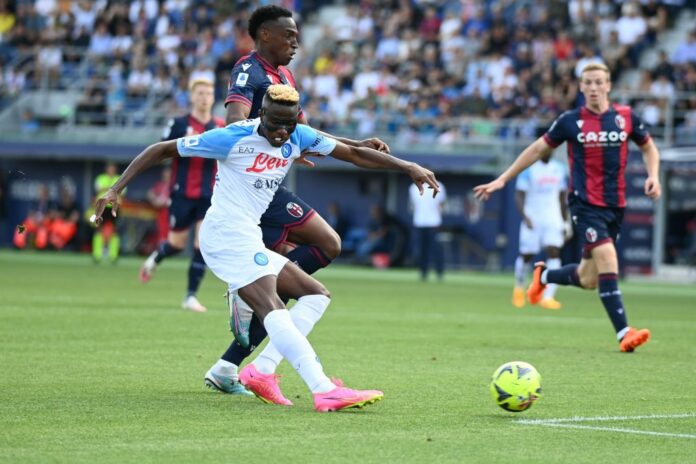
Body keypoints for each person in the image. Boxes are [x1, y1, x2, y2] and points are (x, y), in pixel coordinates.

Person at [92, 84, 440, 411]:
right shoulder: (233, 137)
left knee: (316, 296)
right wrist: (115, 189)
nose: (281, 132)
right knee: (273, 306)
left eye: (289, 125)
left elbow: (352, 153)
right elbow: (161, 149)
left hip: (248, 236)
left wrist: (408, 166)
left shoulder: (298, 134)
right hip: (225, 235)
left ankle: (261, 370)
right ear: (261, 114)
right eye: (275, 123)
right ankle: (323, 390)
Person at [205, 5, 392, 394]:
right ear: (265, 35)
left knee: (321, 251)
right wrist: (272, 141)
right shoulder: (248, 69)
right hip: (251, 183)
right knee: (315, 259)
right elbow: (235, 122)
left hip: (270, 185)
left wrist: (354, 143)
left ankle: (229, 361)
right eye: (288, 35)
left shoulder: (285, 76)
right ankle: (248, 303)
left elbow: (305, 132)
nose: (295, 42)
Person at [474, 63, 661, 353]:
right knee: (608, 259)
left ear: (608, 85)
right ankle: (624, 332)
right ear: (581, 87)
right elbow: (537, 149)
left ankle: (543, 276)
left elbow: (648, 147)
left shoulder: (625, 117)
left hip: (615, 205)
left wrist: (653, 176)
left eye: (599, 82)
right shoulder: (570, 121)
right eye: (588, 82)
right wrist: (503, 179)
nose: (594, 87)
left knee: (589, 279)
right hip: (585, 204)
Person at [139, 79, 225, 313]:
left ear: (213, 98)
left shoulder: (220, 126)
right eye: (200, 93)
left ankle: (190, 296)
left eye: (208, 93)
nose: (205, 97)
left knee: (202, 243)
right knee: (176, 244)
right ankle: (155, 258)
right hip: (182, 193)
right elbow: (161, 151)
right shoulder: (178, 124)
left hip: (210, 194)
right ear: (192, 97)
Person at [511, 154, 570, 310]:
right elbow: (519, 195)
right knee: (527, 255)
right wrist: (525, 217)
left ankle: (548, 297)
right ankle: (519, 288)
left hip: (553, 218)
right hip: (533, 218)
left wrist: (565, 221)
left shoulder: (559, 169)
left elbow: (562, 196)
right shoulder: (528, 170)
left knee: (554, 252)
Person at [409, 179, 447, 281]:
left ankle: (439, 272)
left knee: (436, 249)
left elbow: (442, 204)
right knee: (422, 249)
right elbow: (414, 205)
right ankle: (423, 273)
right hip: (419, 222)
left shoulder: (439, 186)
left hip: (434, 222)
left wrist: (438, 217)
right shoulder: (413, 188)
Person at [92, 162, 123, 263]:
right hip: (102, 206)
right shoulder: (101, 178)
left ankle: (113, 256)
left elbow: (122, 191)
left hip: (114, 207)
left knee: (114, 230)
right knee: (98, 228)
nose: (111, 170)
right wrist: (113, 189)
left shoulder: (119, 178)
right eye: (109, 168)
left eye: (112, 168)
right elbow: (98, 188)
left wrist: (108, 189)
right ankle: (97, 255)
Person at [13, 184, 52, 250]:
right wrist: (33, 220)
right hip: (33, 224)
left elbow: (51, 216)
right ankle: (18, 245)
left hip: (43, 225)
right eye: (40, 192)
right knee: (21, 227)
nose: (41, 194)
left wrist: (43, 220)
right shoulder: (35, 202)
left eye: (43, 193)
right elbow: (30, 214)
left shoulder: (50, 204)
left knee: (42, 231)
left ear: (47, 194)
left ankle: (40, 248)